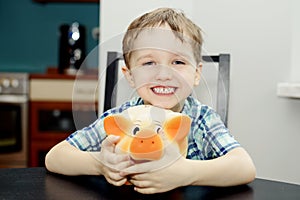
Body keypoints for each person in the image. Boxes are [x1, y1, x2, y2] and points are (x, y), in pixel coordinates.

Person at [45, 7, 256, 194]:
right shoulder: (120, 119)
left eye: (178, 61)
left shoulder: (202, 120)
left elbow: (244, 167)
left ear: (196, 73)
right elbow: (55, 157)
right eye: (149, 63)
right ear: (129, 75)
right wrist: (100, 163)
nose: (164, 74)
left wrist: (185, 173)